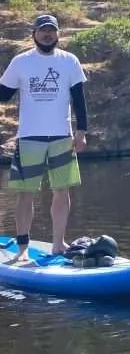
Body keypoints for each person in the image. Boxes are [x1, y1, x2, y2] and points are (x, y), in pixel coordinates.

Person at [0, 14, 88, 262]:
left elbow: (79, 100)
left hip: (62, 136)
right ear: (34, 34)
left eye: (51, 30)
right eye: (43, 31)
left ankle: (58, 244)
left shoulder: (70, 61)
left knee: (62, 191)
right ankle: (23, 249)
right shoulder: (21, 62)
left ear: (58, 34)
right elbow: (3, 95)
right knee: (26, 193)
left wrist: (82, 131)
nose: (47, 34)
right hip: (29, 137)